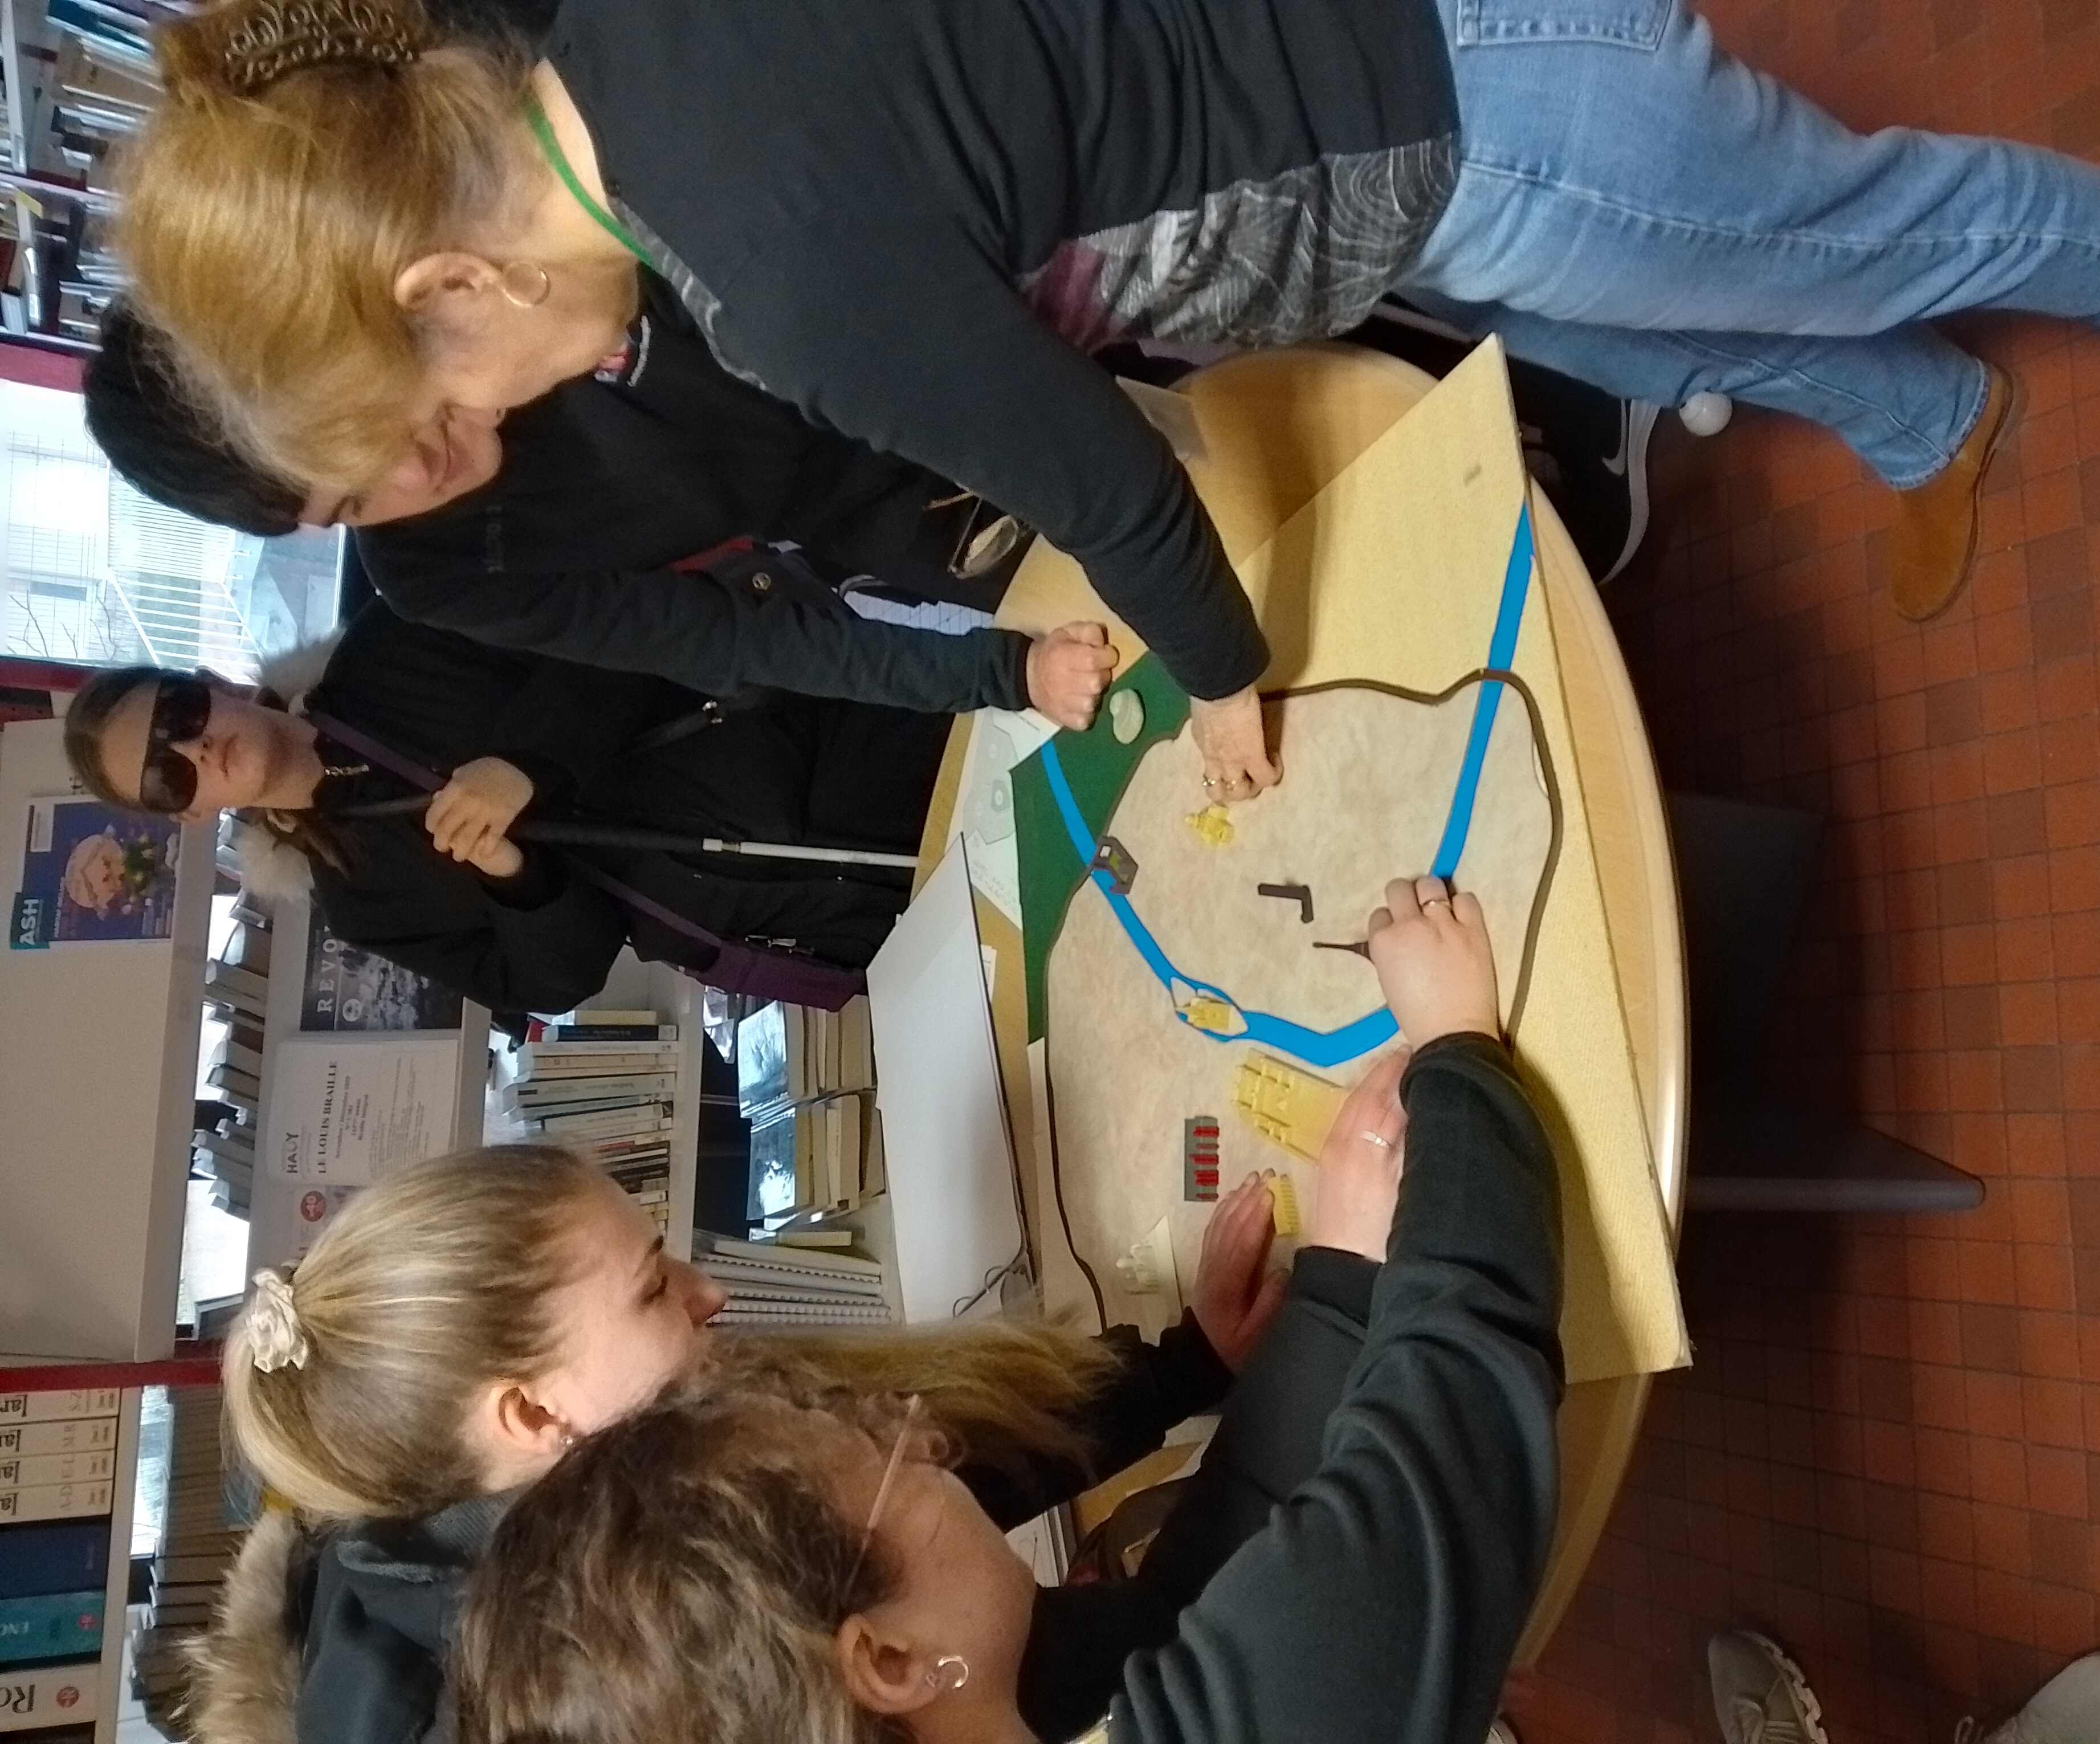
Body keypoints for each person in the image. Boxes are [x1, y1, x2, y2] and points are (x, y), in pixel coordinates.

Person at [117, 0, 2100, 806]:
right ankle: (1922, 423)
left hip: (1456, 98)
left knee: (1853, 223)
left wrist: (1222, 686)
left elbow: (1107, 488)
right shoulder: (601, 46)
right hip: (1365, 148)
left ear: (451, 279)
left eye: (460, 402)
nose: (509, 424)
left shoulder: (766, 264)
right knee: (1665, 332)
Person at [457, 873, 1564, 1744]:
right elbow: (1465, 1416)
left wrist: (1331, 1290)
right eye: (882, 1447)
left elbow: (1178, 1604)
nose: (928, 1430)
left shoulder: (966, 1692)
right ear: (885, 1661)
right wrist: (1459, 1054)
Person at [189, 1126, 1372, 1744]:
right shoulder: (640, 1667)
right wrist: (1339, 1296)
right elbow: (1154, 1646)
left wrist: (1186, 1369)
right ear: (535, 1413)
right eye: (653, 1288)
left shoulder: (539, 1516)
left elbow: (902, 1501)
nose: (710, 1295)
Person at [86, 302, 1103, 724]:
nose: (412, 470)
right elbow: (731, 639)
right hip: (877, 502)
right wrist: (1004, 672)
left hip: (956, 329)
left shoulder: (507, 245)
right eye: (352, 498)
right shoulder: (433, 571)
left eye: (361, 421)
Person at [64, 602, 959, 1013]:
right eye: (166, 778)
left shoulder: (393, 640)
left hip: (831, 754)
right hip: (797, 916)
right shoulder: (357, 902)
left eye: (180, 717)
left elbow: (616, 628)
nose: (193, 752)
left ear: (213, 683)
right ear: (185, 815)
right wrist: (515, 879)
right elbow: (553, 984)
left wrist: (526, 766)